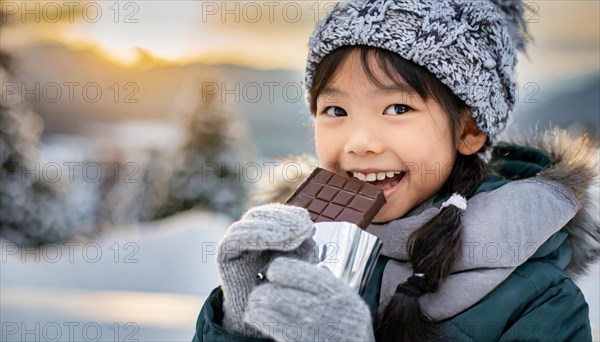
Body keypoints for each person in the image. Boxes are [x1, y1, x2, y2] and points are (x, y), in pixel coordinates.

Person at [192, 0, 599, 341]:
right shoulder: (297, 251)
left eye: (397, 108)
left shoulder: (541, 302)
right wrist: (239, 325)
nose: (359, 142)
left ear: (469, 129)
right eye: (336, 110)